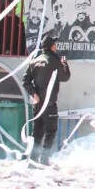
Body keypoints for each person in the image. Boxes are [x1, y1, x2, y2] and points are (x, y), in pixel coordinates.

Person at [22, 34, 71, 165]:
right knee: (50, 131)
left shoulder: (34, 60)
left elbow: (25, 81)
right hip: (49, 103)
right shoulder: (54, 61)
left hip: (37, 103)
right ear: (51, 46)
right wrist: (65, 64)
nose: (56, 47)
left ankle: (33, 160)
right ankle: (44, 160)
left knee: (37, 132)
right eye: (55, 44)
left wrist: (33, 93)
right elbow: (65, 77)